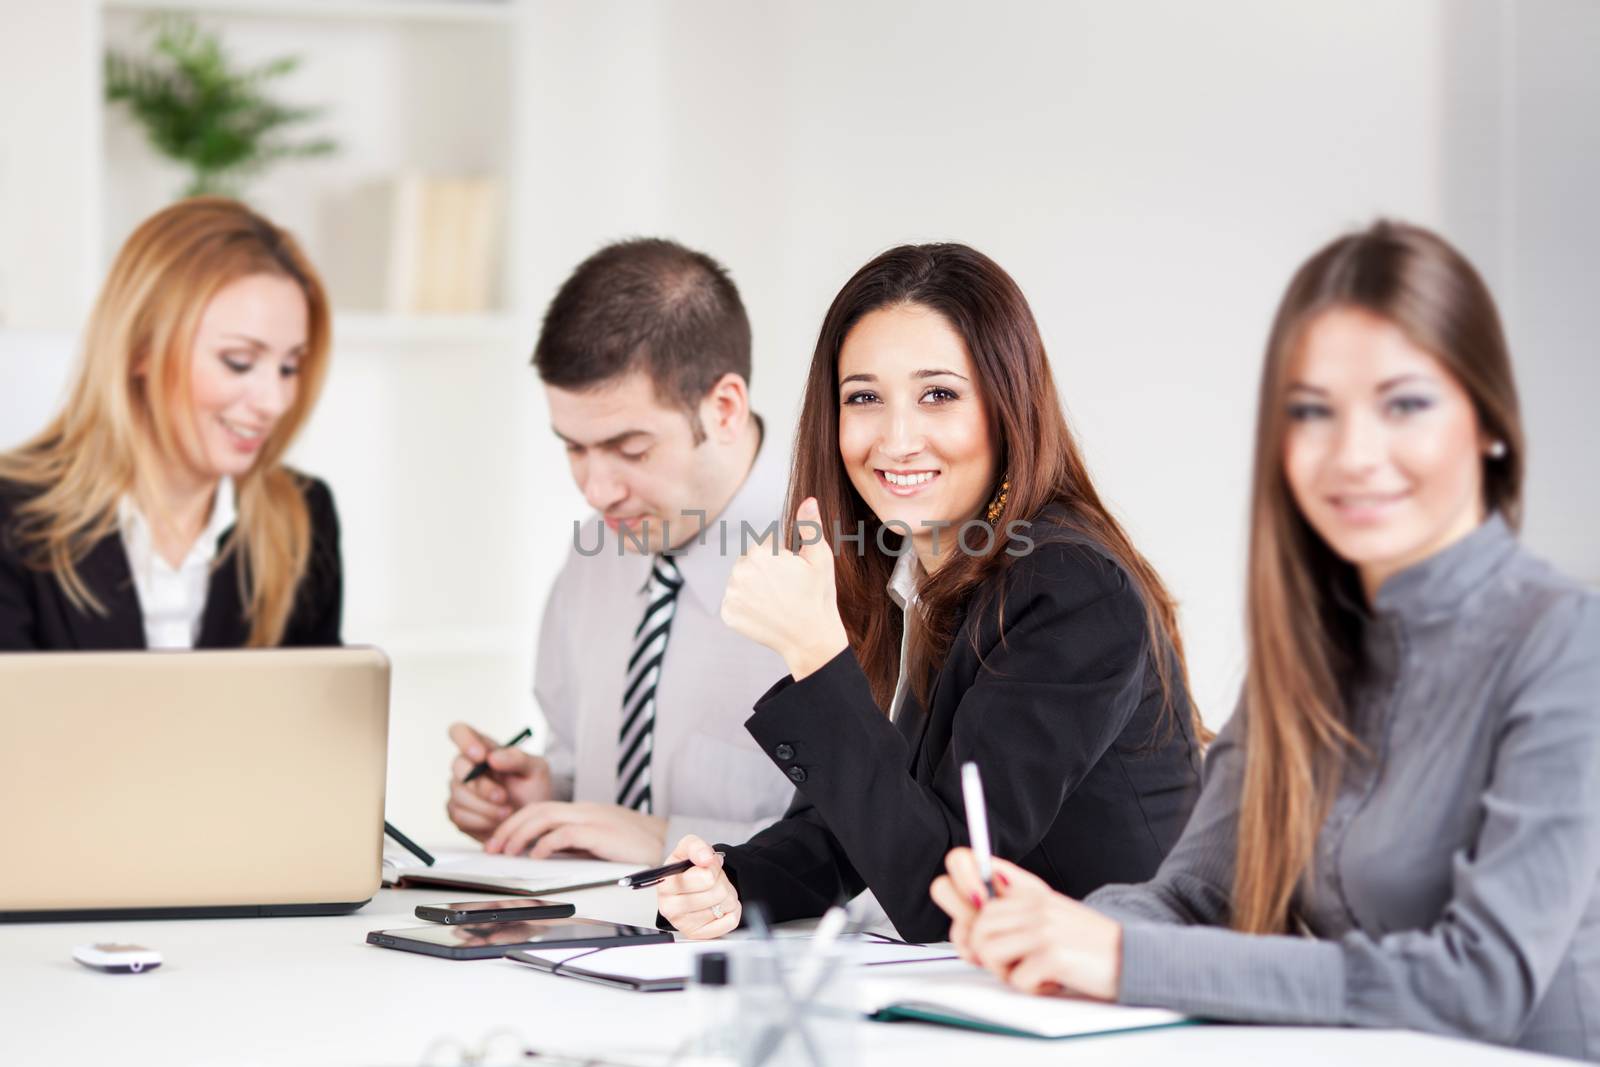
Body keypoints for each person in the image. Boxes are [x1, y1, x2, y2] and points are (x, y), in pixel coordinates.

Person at [932, 221, 1600, 1061]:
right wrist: (1059, 928)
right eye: (1313, 412)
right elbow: (1190, 901)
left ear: (1489, 423)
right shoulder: (1306, 649)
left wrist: (1121, 956)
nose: (1354, 454)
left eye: (1405, 404)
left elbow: (1481, 985)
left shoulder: (1565, 643)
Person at [656, 243, 1206, 944]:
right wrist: (729, 882)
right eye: (864, 398)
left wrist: (814, 651)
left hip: (1114, 1013)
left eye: (938, 394)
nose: (897, 437)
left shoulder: (1069, 589)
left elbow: (940, 893)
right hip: (996, 992)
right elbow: (857, 827)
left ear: (1007, 405)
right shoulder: (921, 569)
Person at [444, 239, 794, 865]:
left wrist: (666, 840)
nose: (596, 491)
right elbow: (579, 758)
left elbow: (883, 853)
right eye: (574, 448)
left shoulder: (844, 572)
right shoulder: (598, 555)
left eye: (629, 448)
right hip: (576, 940)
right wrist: (544, 794)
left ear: (724, 409)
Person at [0, 197, 340, 651]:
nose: (274, 402)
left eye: (289, 367)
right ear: (141, 348)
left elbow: (323, 720)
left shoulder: (300, 518)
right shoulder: (11, 519)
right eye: (238, 362)